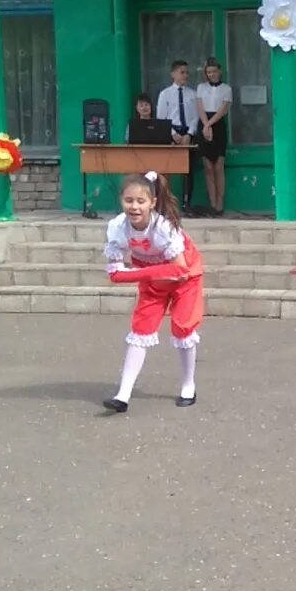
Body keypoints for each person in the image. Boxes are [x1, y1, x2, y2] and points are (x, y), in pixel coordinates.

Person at [100, 171, 204, 413]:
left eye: (140, 201)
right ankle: (123, 395)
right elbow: (114, 273)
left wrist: (136, 272)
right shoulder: (117, 227)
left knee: (182, 328)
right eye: (128, 201)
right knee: (140, 330)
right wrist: (146, 273)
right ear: (121, 201)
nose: (134, 207)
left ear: (152, 203)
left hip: (185, 278)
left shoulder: (163, 228)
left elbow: (178, 269)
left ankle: (188, 385)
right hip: (154, 279)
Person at [156, 60, 201, 210]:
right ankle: (166, 203)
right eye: (182, 72)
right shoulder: (165, 94)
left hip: (188, 132)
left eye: (187, 72)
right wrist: (173, 134)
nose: (185, 75)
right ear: (173, 74)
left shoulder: (193, 94)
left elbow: (196, 116)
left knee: (188, 170)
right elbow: (161, 117)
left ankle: (187, 202)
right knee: (167, 170)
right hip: (171, 132)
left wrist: (189, 133)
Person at [196, 58, 233, 216]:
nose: (211, 74)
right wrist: (205, 125)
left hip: (217, 125)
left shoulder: (227, 88)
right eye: (208, 72)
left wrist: (210, 124)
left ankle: (219, 203)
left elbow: (223, 109)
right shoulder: (201, 87)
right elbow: (199, 106)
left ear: (220, 71)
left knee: (218, 165)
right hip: (204, 124)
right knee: (208, 167)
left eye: (214, 71)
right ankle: (211, 203)